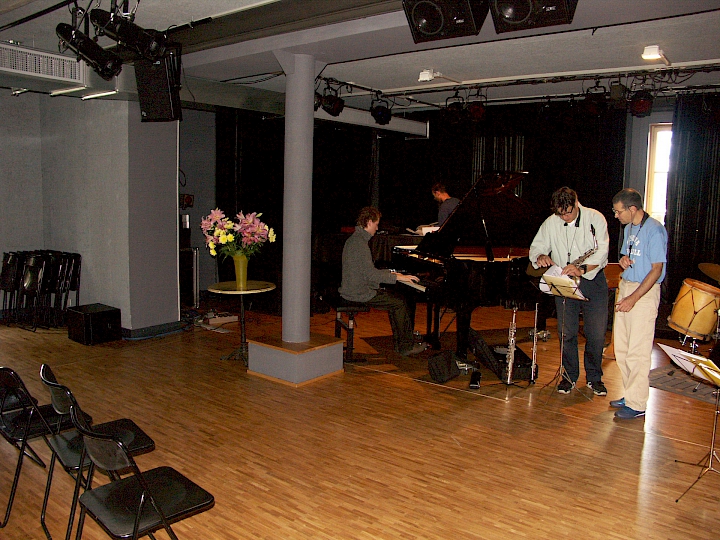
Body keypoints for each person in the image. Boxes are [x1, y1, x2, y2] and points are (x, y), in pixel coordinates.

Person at [529, 187, 610, 395]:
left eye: (568, 212)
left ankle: (594, 378)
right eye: (560, 214)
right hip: (564, 281)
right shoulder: (551, 222)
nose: (565, 217)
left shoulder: (595, 218)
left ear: (576, 203)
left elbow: (602, 252)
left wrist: (582, 269)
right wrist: (540, 256)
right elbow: (536, 247)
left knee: (596, 334)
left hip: (592, 280)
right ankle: (568, 376)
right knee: (566, 333)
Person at [610, 188, 667, 419]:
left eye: (619, 211)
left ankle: (637, 404)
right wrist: (623, 260)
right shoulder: (629, 228)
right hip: (627, 286)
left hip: (644, 292)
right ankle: (630, 394)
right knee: (622, 348)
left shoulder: (655, 230)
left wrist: (634, 298)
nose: (616, 216)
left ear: (632, 209)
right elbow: (628, 255)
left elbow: (657, 269)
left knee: (638, 350)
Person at [339, 207, 427, 356]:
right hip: (357, 292)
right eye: (376, 224)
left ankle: (402, 344)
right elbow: (371, 275)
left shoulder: (355, 240)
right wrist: (399, 277)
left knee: (396, 301)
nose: (377, 228)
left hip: (353, 288)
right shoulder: (359, 244)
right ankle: (405, 346)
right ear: (369, 222)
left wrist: (392, 274)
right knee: (399, 303)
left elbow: (367, 272)